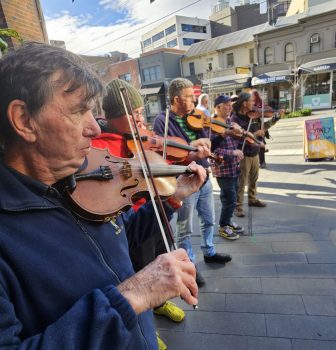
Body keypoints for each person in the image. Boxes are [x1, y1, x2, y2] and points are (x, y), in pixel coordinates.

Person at [0, 42, 207, 349]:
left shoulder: (77, 180)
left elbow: (124, 236)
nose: (95, 129)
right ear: (24, 120)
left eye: (93, 112)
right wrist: (133, 295)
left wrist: (170, 198)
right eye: (79, 111)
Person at [92, 78, 187, 350]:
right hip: (130, 223)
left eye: (140, 113)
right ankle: (144, 326)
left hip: (152, 215)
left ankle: (158, 304)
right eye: (133, 114)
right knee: (139, 276)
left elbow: (161, 162)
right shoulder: (103, 147)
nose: (139, 119)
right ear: (114, 116)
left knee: (158, 260)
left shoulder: (139, 140)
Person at [153, 78, 232, 287]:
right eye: (189, 97)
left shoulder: (197, 116)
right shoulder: (163, 120)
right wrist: (192, 146)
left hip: (204, 175)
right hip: (184, 180)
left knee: (209, 219)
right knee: (185, 227)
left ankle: (209, 251)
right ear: (176, 99)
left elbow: (207, 140)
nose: (194, 100)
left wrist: (206, 141)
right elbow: (166, 155)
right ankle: (190, 265)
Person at [211, 95, 244, 240]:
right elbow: (213, 151)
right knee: (229, 200)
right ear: (217, 107)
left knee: (232, 197)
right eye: (226, 104)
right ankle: (223, 226)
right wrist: (233, 152)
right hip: (223, 170)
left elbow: (235, 140)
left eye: (230, 104)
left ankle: (228, 221)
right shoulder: (212, 125)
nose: (230, 107)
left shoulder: (230, 121)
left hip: (233, 168)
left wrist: (240, 134)